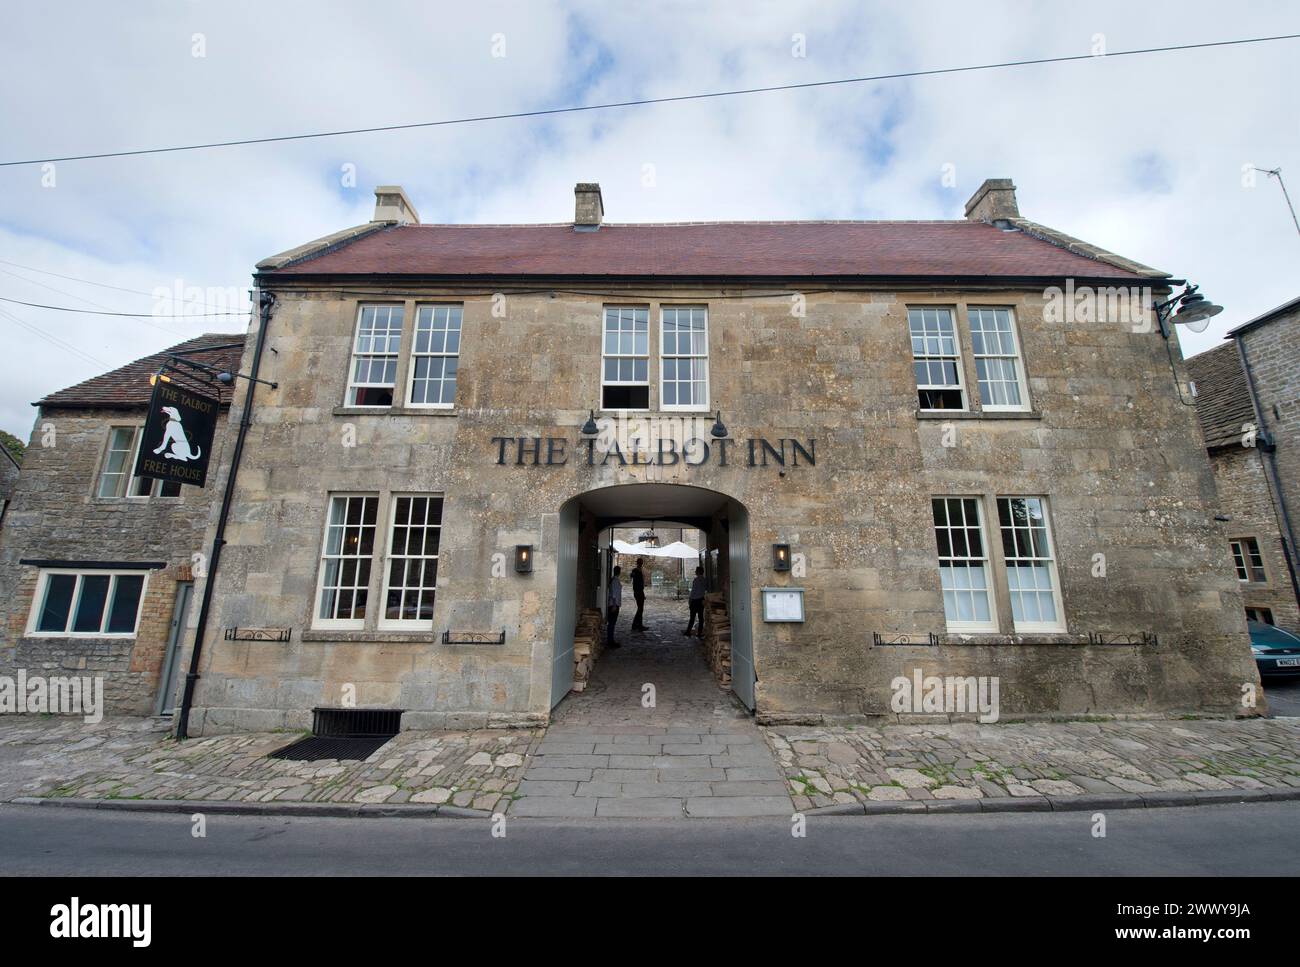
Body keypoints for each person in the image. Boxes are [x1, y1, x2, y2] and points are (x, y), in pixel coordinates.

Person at [683, 565, 707, 638]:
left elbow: (693, 591)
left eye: (696, 570)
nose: (695, 572)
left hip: (695, 600)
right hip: (701, 600)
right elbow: (705, 589)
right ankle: (699, 632)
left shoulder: (696, 580)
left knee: (692, 617)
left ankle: (688, 631)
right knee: (701, 617)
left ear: (698, 572)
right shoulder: (704, 580)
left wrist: (690, 599)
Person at [606, 565, 623, 649]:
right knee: (612, 623)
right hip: (614, 604)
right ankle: (610, 641)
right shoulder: (615, 581)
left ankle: (611, 640)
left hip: (614, 604)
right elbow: (614, 594)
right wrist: (614, 605)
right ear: (619, 572)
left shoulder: (614, 580)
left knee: (612, 623)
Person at [630, 558, 646, 631]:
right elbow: (632, 577)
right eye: (640, 562)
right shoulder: (636, 570)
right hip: (638, 592)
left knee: (640, 609)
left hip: (640, 591)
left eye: (641, 562)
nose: (641, 564)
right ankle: (636, 625)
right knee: (640, 609)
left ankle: (638, 625)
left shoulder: (638, 570)